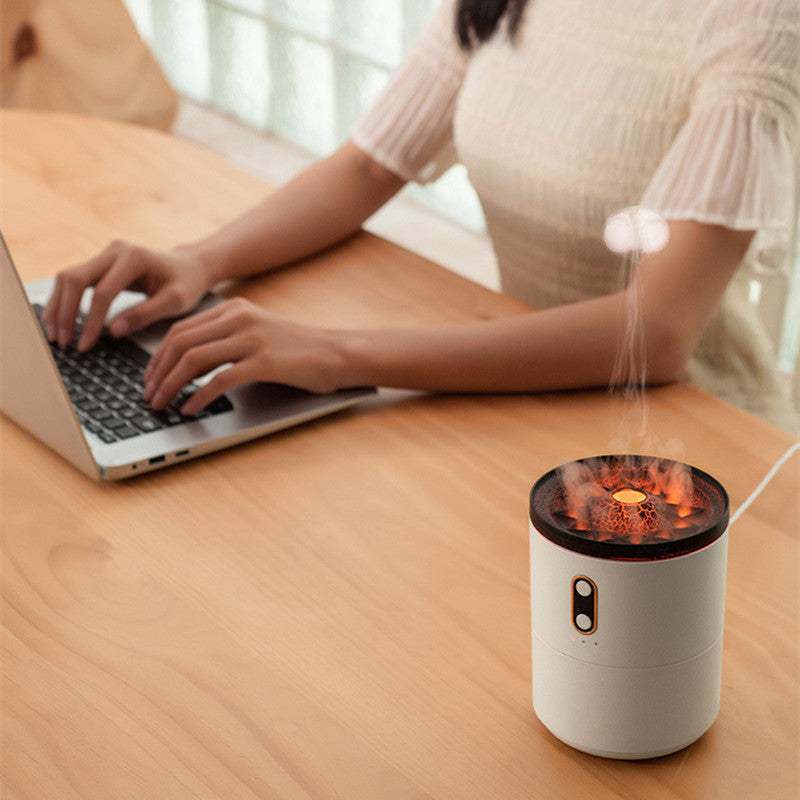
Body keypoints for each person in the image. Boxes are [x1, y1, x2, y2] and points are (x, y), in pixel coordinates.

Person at [42, 0, 799, 430]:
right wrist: (200, 259)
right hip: (519, 399)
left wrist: (340, 354)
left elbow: (659, 332)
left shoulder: (758, 19)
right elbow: (370, 163)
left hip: (687, 432)